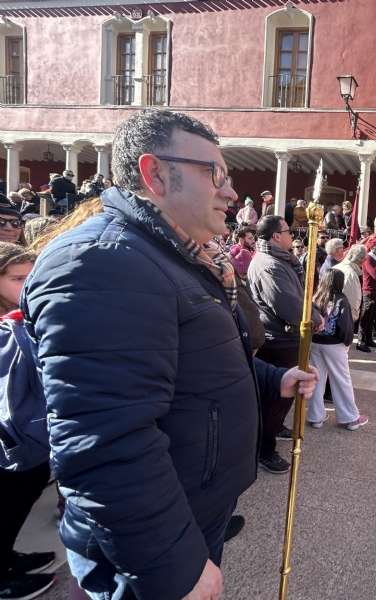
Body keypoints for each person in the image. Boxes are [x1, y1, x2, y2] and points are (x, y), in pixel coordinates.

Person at [21, 109, 318, 600]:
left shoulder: (172, 255)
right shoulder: (105, 262)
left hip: (190, 507)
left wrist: (271, 380)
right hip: (144, 546)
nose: (231, 193)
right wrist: (173, 564)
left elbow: (199, 357)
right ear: (154, 173)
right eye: (214, 174)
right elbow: (107, 441)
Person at [0, 243, 57, 600]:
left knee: (25, 489)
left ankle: (6, 556)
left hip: (28, 435)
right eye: (17, 279)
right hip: (7, 437)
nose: (27, 284)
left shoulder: (29, 314)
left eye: (30, 276)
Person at [248, 214, 323, 474]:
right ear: (276, 236)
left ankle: (275, 428)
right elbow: (289, 306)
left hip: (286, 338)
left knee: (281, 399)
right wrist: (315, 319)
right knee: (275, 398)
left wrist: (314, 312)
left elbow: (299, 295)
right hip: (278, 340)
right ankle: (264, 450)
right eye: (288, 231)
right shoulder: (269, 265)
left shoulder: (280, 260)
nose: (293, 234)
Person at [305, 269, 369, 431]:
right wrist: (346, 342)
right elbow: (346, 326)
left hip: (315, 342)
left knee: (316, 378)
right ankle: (351, 418)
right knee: (341, 379)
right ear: (339, 282)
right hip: (334, 344)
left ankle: (316, 416)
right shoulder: (341, 300)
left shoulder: (315, 298)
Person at [357, 240, 376, 352]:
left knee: (372, 317)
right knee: (366, 317)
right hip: (369, 292)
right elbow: (375, 275)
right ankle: (361, 340)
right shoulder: (368, 259)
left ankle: (368, 339)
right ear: (372, 247)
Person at [333, 244, 366, 336]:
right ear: (361, 259)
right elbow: (353, 299)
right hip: (343, 316)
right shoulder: (351, 274)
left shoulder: (335, 267)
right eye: (364, 259)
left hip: (330, 313)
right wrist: (352, 318)